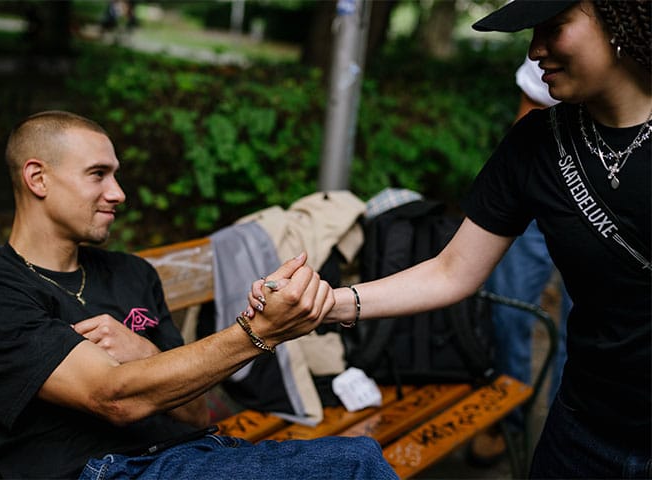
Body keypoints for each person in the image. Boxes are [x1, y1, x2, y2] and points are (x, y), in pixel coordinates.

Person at [251, 1, 651, 477]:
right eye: (532, 30)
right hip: (584, 433)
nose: (535, 48)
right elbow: (452, 270)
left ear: (619, 17)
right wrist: (325, 304)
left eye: (554, 27)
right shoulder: (536, 145)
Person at [0, 111, 398, 479]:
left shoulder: (132, 274)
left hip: (195, 452)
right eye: (98, 174)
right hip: (107, 470)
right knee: (353, 463)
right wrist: (261, 332)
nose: (117, 193)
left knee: (353, 459)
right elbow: (112, 398)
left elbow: (197, 412)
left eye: (116, 175)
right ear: (37, 178)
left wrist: (146, 352)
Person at [467, 57, 574, 467]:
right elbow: (529, 113)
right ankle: (509, 417)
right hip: (542, 192)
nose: (537, 46)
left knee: (583, 327)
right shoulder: (551, 42)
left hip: (610, 205)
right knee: (508, 310)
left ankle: (563, 429)